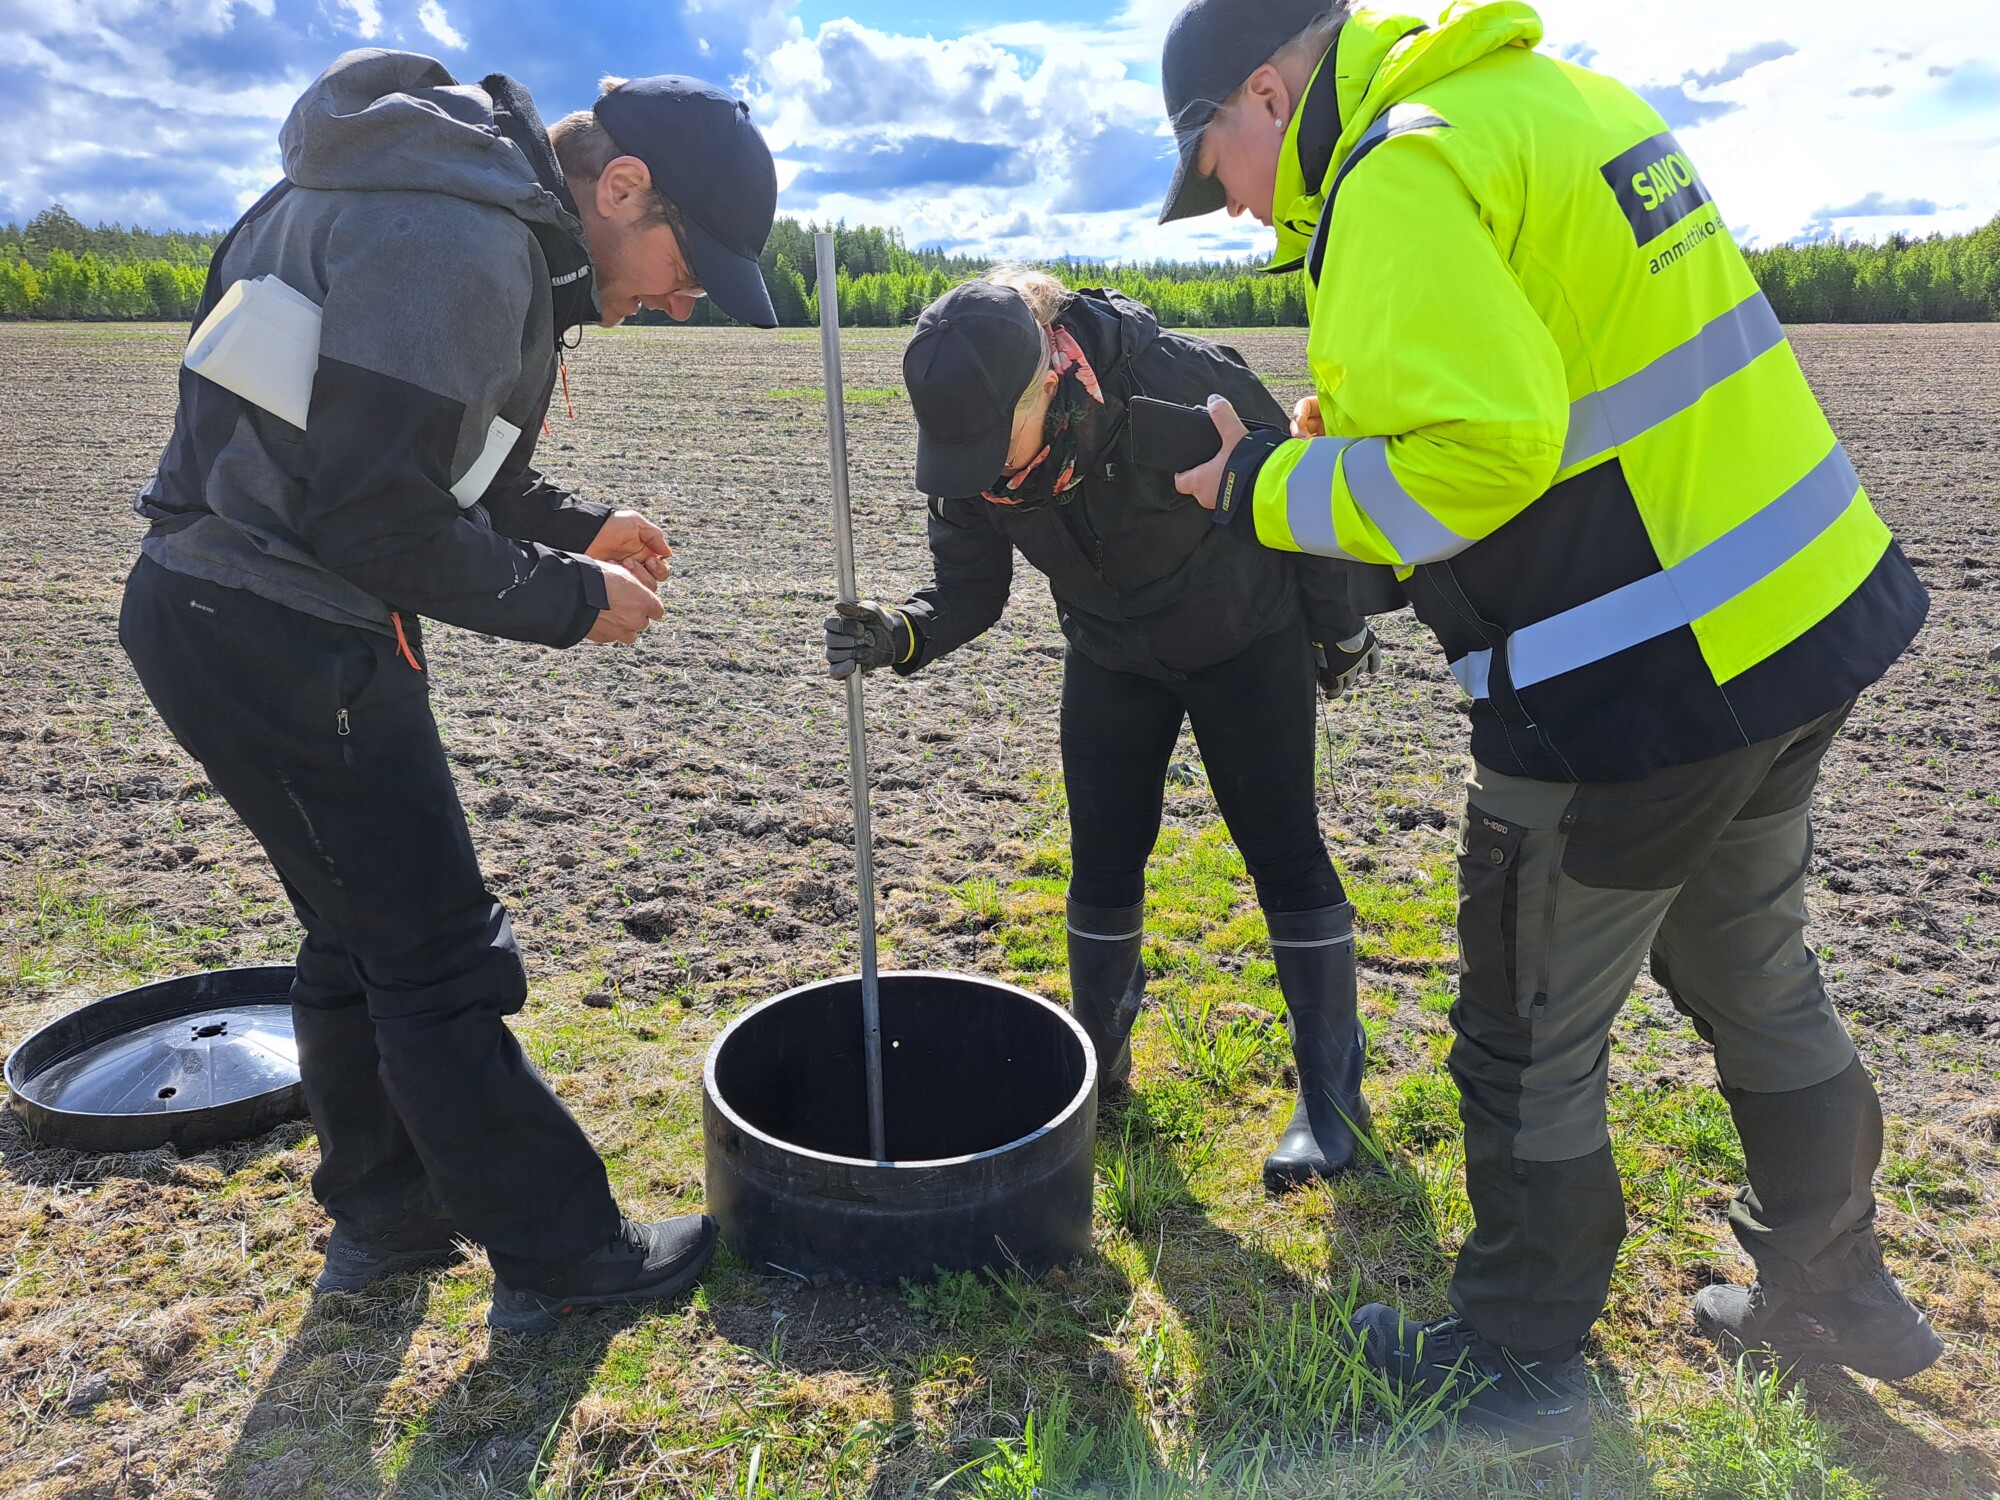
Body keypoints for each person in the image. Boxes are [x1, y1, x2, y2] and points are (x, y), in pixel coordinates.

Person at [1156, 0, 1941, 1461]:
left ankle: (1521, 1355)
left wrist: (1266, 484)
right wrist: (1365, 443)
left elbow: (1486, 459)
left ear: (1265, 92)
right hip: (1798, 618)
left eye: (1215, 163)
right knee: (1753, 969)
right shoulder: (1556, 102)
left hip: (1634, 682)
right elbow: (1562, 383)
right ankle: (1837, 1290)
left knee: (1527, 1034)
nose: (1233, 204)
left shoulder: (1396, 173)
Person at [120, 52, 780, 1332]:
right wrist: (572, 602)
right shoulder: (459, 241)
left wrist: (580, 527)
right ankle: (562, 1256)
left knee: (357, 931)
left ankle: (385, 1214)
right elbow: (377, 519)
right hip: (285, 633)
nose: (687, 304)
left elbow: (400, 456)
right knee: (434, 953)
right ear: (625, 188)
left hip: (217, 609)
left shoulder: (419, 196)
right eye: (689, 268)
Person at [823, 268, 1383, 1190]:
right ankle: (1101, 1072)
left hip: (1243, 637)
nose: (980, 471)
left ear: (1046, 378)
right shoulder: (971, 452)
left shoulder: (1178, 383)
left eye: (990, 443)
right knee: (1103, 857)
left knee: (1282, 850)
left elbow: (1300, 501)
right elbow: (970, 591)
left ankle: (1333, 1099)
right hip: (1112, 652)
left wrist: (1338, 629)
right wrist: (901, 632)